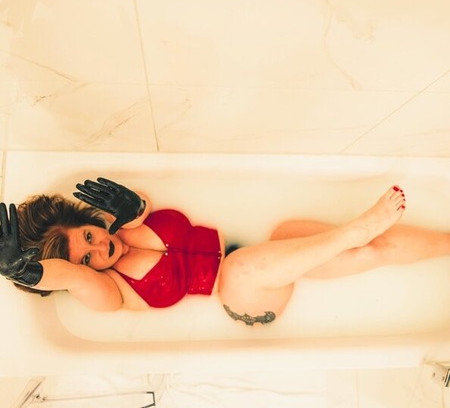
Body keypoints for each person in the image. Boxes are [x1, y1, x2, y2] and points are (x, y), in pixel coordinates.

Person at [0, 177, 446, 326]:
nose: (100, 248)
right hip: (245, 298)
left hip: (263, 258)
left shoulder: (122, 225)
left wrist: (132, 208)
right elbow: (75, 278)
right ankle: (353, 232)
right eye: (87, 258)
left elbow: (140, 206)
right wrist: (28, 272)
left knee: (372, 250)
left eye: (88, 236)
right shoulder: (107, 290)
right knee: (240, 268)